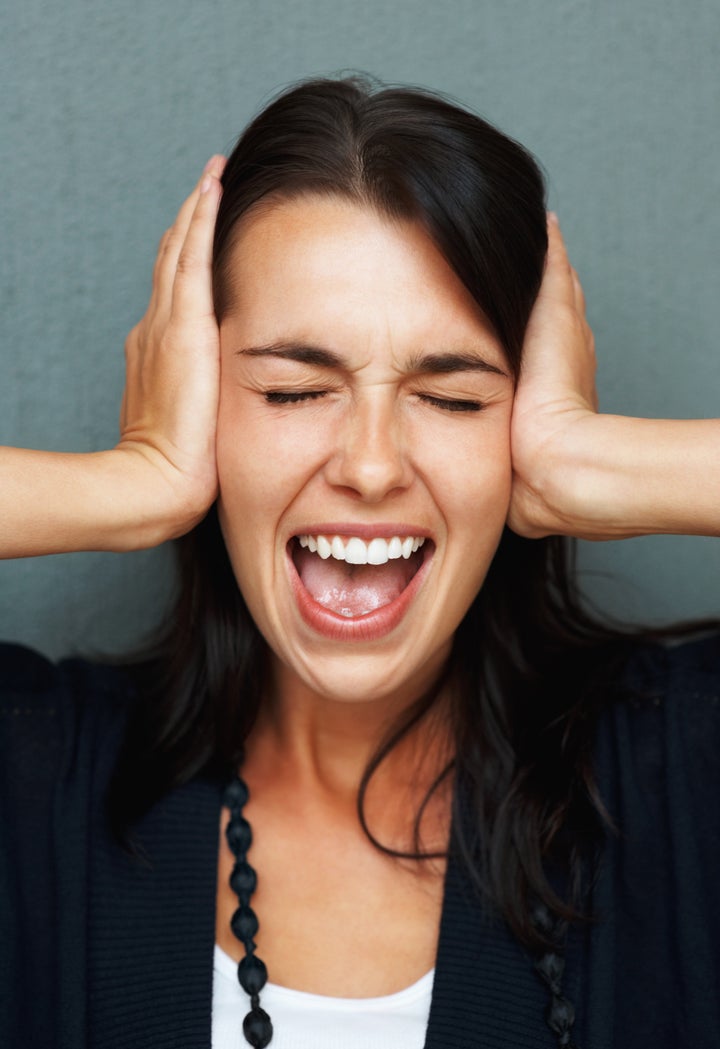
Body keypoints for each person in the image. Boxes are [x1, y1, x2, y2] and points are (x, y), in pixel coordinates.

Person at [0, 76, 718, 1049]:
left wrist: (591, 464)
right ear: (203, 398)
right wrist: (135, 484)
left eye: (455, 398)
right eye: (295, 390)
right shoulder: (40, 780)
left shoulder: (674, 774)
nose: (371, 465)